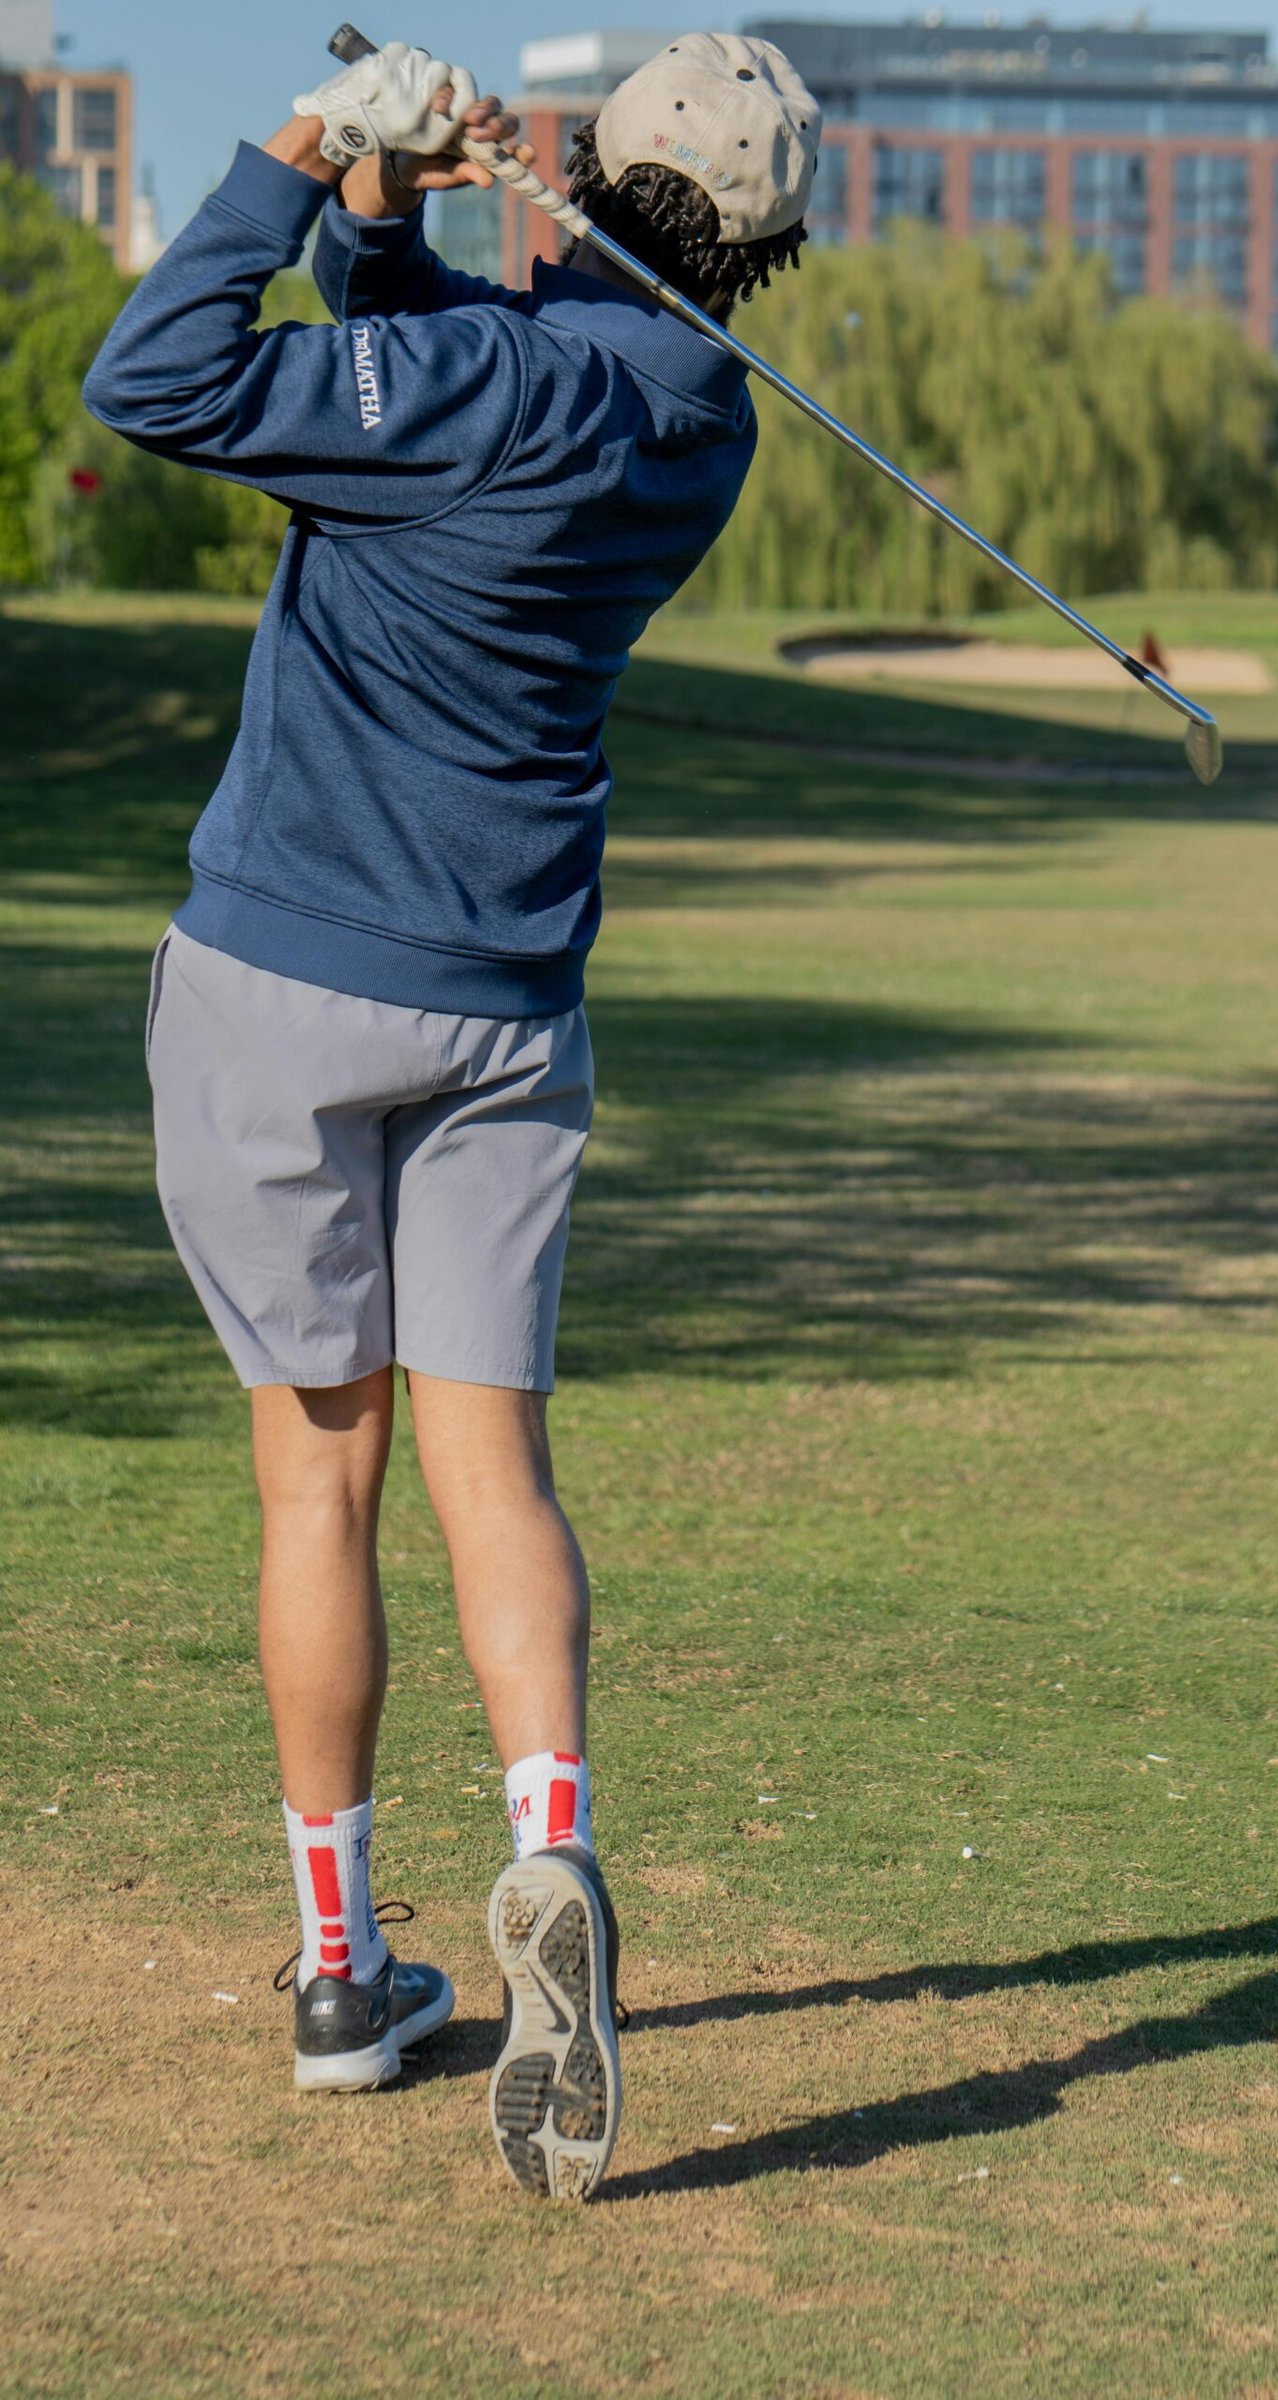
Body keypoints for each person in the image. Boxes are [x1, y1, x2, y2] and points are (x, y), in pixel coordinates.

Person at [84, 32, 819, 2203]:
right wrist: (396, 222)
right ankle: (551, 1843)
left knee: (322, 1481)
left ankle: (337, 1974)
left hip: (287, 983)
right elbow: (475, 385)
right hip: (505, 1009)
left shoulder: (489, 392)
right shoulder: (701, 419)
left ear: (587, 175)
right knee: (491, 1468)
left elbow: (159, 376)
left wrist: (313, 150)